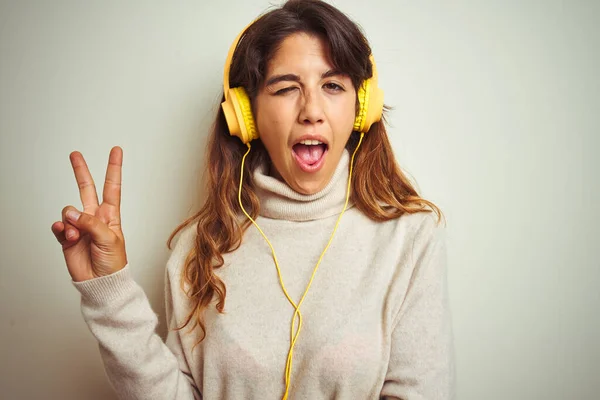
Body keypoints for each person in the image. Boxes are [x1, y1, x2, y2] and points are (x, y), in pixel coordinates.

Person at [51, 0, 455, 399]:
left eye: (332, 85)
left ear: (360, 107)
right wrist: (110, 292)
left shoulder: (410, 238)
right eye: (285, 88)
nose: (312, 110)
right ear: (247, 115)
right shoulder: (198, 249)